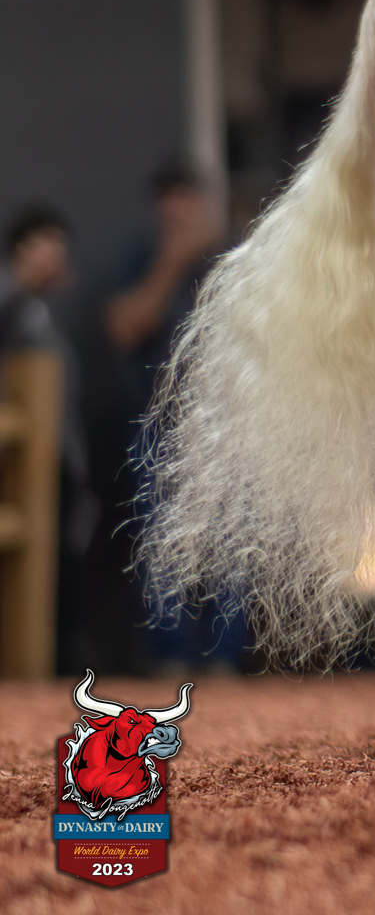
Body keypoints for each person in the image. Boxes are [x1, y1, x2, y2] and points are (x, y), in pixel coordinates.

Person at [87, 165, 241, 671]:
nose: (177, 209)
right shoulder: (142, 258)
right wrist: (171, 262)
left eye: (186, 196)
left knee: (232, 545)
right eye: (168, 197)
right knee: (159, 543)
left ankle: (224, 661)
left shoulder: (234, 259)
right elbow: (124, 328)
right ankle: (170, 659)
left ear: (205, 203)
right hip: (159, 425)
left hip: (226, 425)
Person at [3, 205, 100, 669]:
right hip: (17, 458)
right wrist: (19, 281)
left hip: (56, 454)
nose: (57, 258)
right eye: (48, 246)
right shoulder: (11, 297)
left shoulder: (43, 310)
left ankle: (58, 661)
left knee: (60, 563)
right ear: (22, 248)